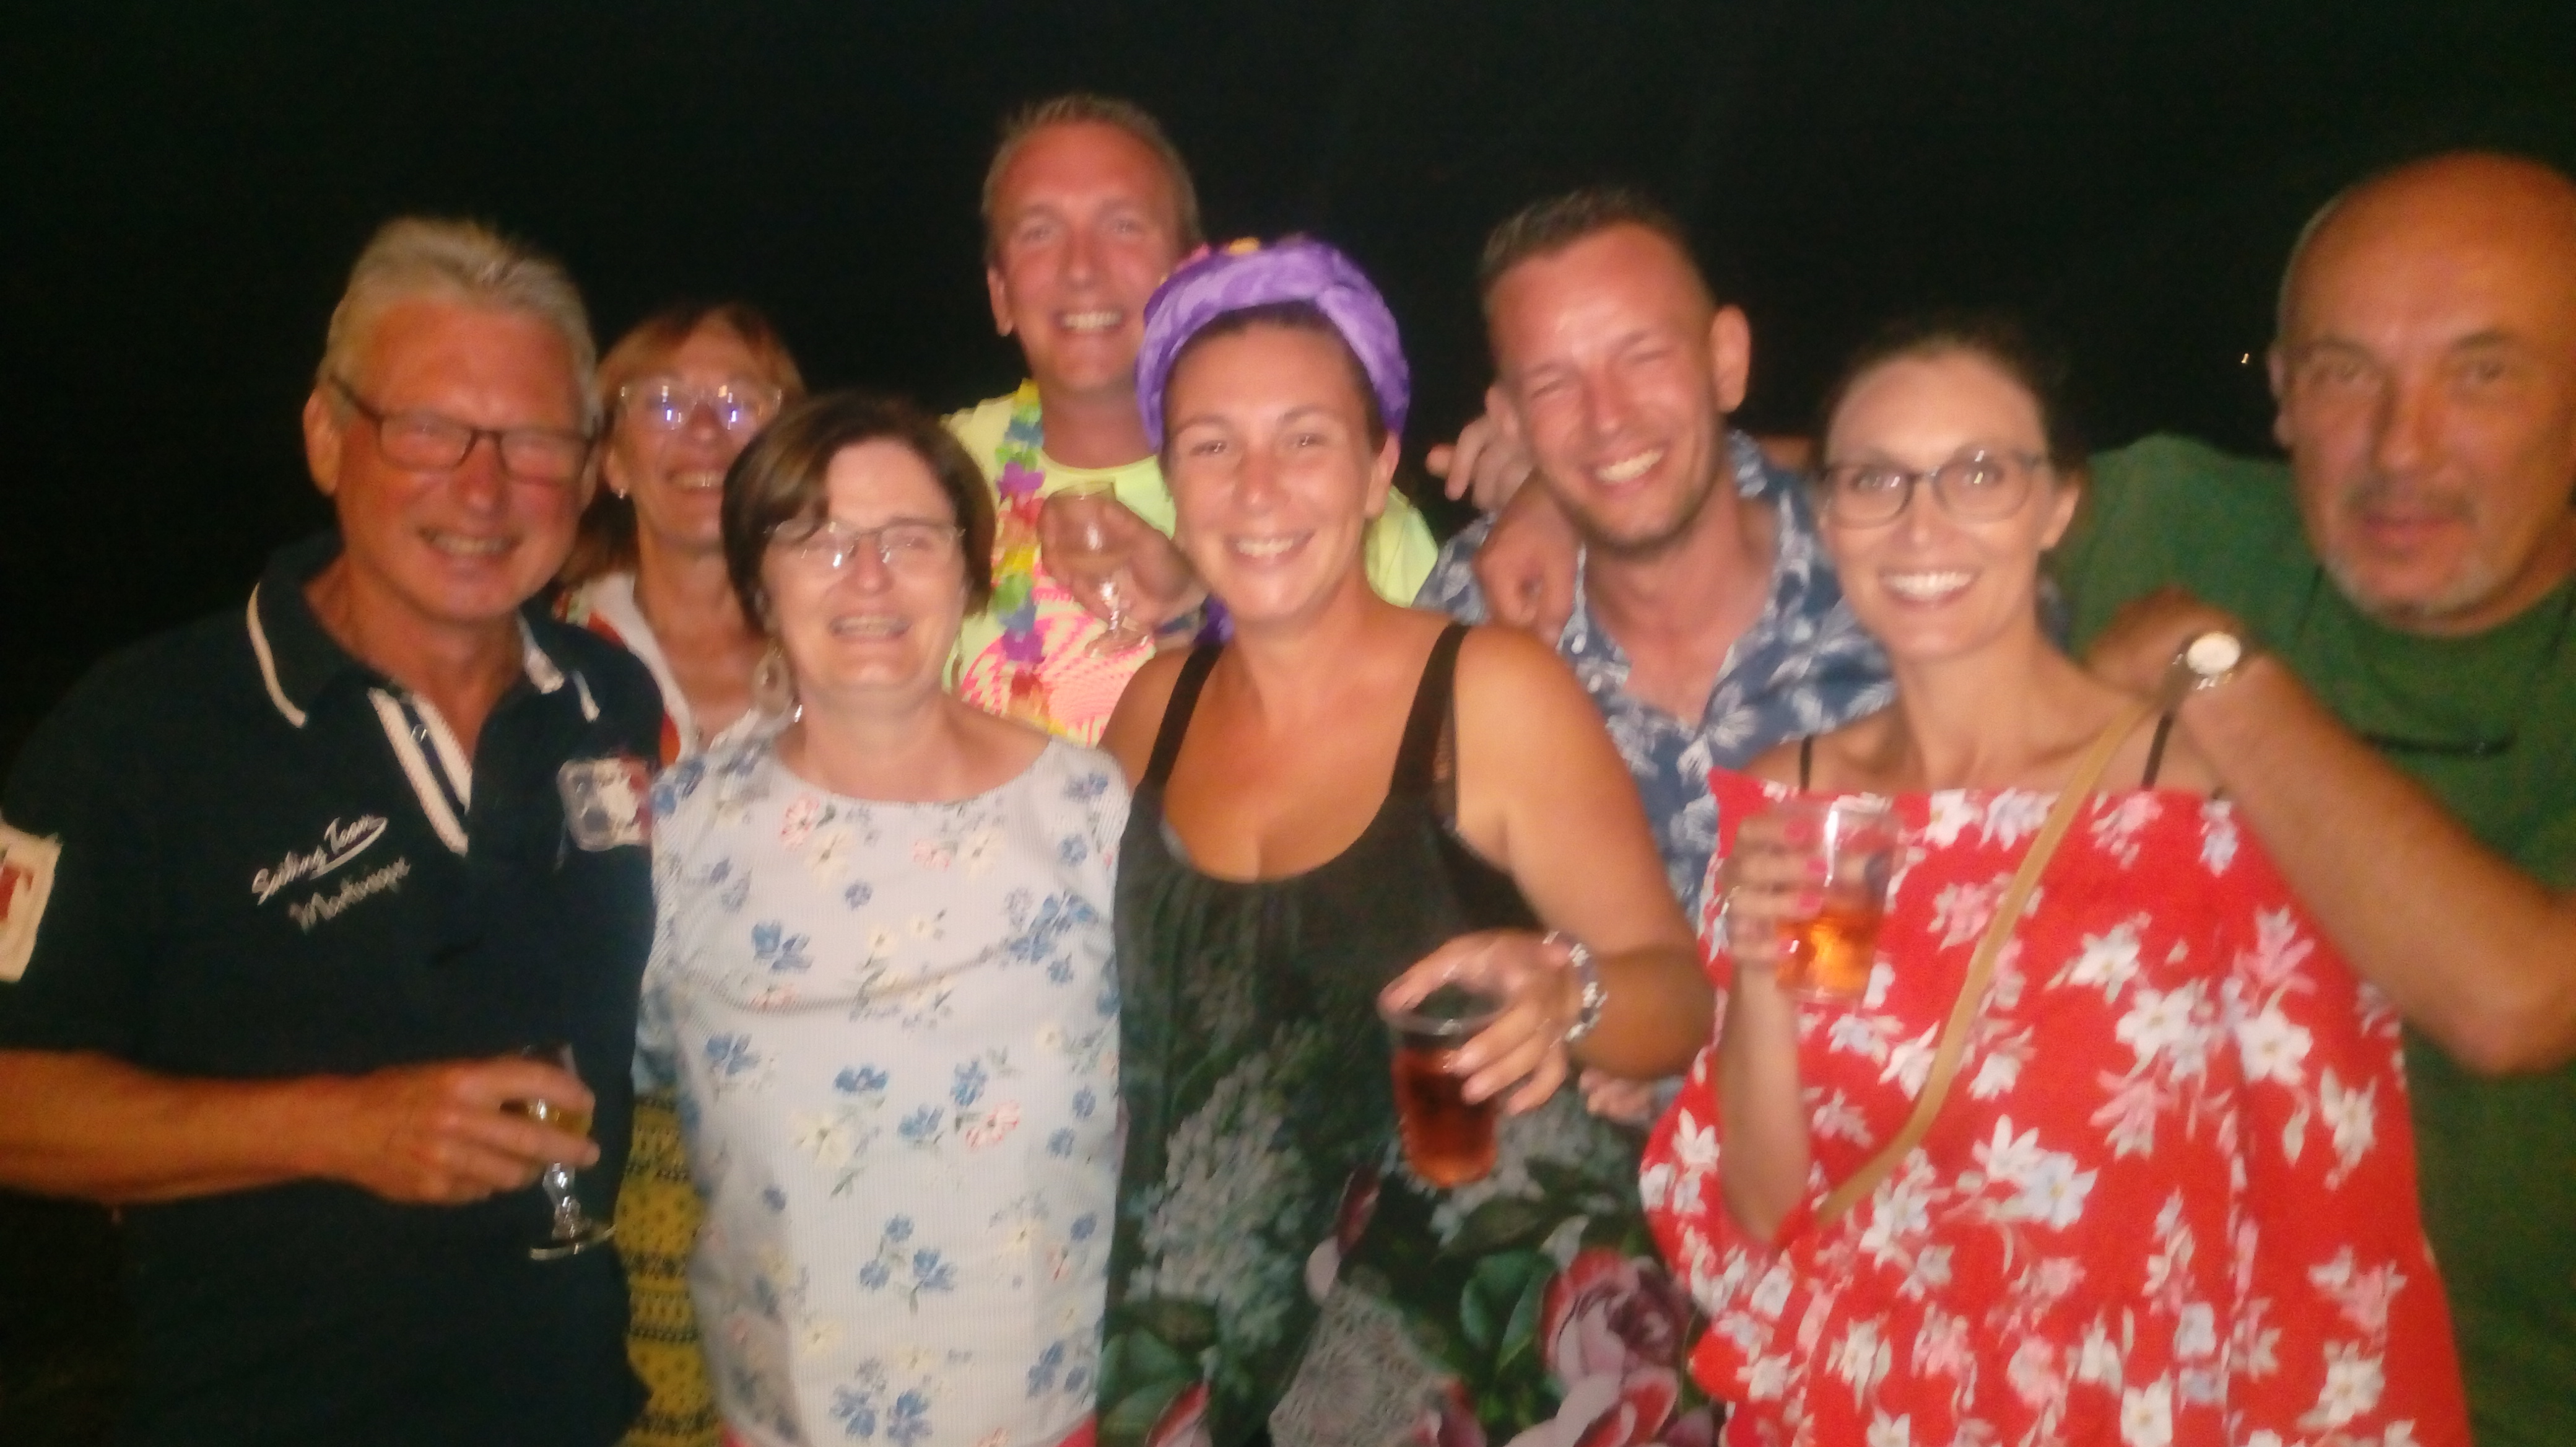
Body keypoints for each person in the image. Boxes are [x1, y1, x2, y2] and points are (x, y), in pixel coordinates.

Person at [1640, 314, 2468, 1445]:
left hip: (2136, 1407)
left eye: (1980, 474)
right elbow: (1769, 1205)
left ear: (2059, 504)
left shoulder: (2203, 795)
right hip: (1873, 1401)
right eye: (1875, 480)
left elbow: (2327, 1194)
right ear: (1827, 518)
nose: (1921, 523)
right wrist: (1759, 977)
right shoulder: (1804, 803)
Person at [0, 217, 661, 1445]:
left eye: (532, 441)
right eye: (428, 430)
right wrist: (341, 1126)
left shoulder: (607, 701)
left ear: (583, 474)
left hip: (568, 1412)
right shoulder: (144, 732)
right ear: (325, 436)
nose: (483, 488)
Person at [1095, 238, 1714, 1447]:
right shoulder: (1151, 710)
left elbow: (1677, 997)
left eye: (1305, 440)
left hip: (1478, 1356)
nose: (1257, 489)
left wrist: (1568, 995)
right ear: (1168, 476)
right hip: (1208, 1339)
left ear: (1379, 464)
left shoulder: (1487, 692)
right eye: (1212, 447)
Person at [2058, 151, 2576, 1446]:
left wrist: (2214, 676)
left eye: (2483, 374)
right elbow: (1864, 482)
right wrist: (1581, 492)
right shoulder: (2184, 519)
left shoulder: (2193, 598)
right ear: (2284, 393)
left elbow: (2515, 999)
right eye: (2346, 373)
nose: (2401, 449)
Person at [640, 390, 1126, 1447]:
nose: (868, 577)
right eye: (818, 542)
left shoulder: (1092, 811)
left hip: (1059, 1418)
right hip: (782, 1423)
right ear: (759, 584)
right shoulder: (680, 830)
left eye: (911, 539)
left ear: (970, 572)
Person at [1417, 188, 1892, 914]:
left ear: (1725, 360)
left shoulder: (1897, 570)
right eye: (1552, 384)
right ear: (1511, 419)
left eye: (1642, 356)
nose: (1606, 417)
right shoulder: (1464, 618)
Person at [949, 93, 1438, 743]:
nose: (1081, 268)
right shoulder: (929, 478)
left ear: (1189, 271)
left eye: (1123, 225)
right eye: (1039, 232)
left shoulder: (1341, 505)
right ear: (1000, 294)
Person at [559, 300, 809, 1447]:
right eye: (661, 403)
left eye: (739, 401)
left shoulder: (860, 645)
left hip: (819, 1119)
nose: (703, 431)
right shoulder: (539, 667)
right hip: (615, 1131)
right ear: (610, 459)